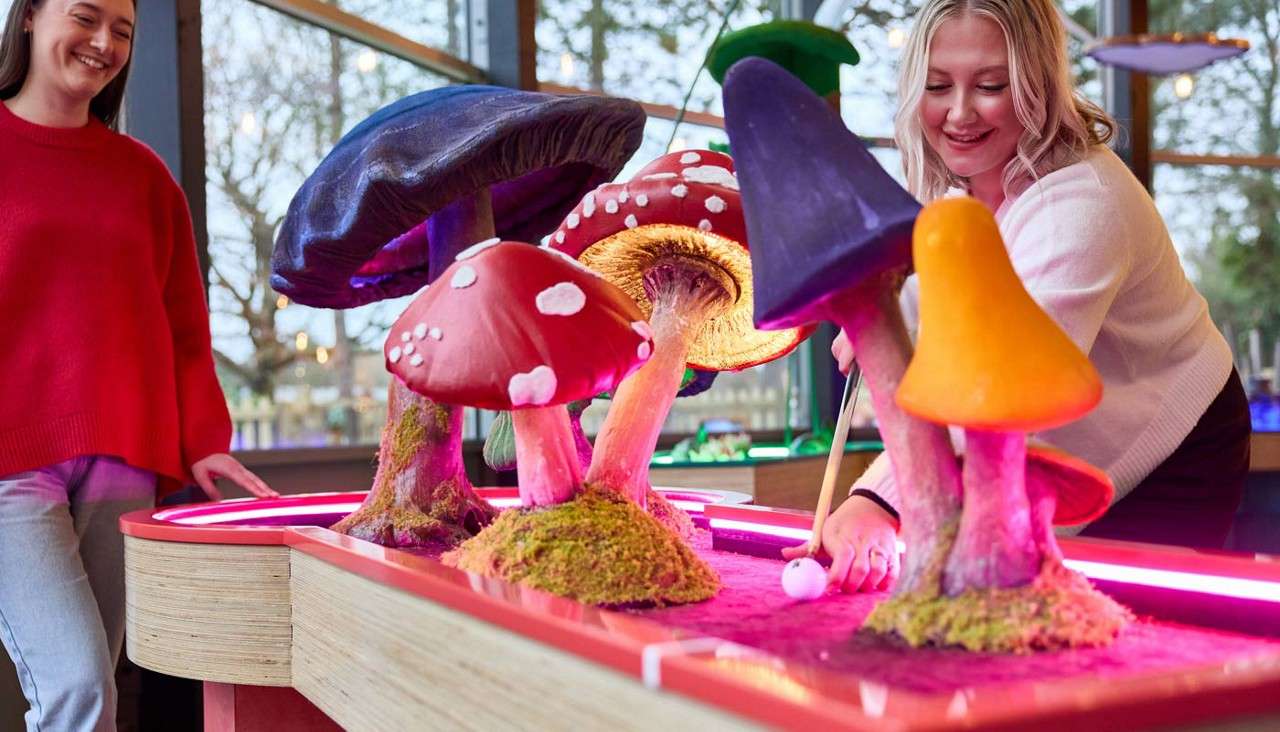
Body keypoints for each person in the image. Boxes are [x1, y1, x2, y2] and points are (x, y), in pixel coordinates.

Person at [783, 0, 1250, 593]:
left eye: (990, 85)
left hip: (1177, 438)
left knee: (1121, 629)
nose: (958, 113)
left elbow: (1001, 385)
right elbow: (951, 295)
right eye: (937, 85)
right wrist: (883, 325)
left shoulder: (1083, 205)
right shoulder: (963, 194)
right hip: (1073, 423)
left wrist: (879, 501)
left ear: (1037, 85)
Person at [0, 1, 277, 729]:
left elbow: (185, 330)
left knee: (102, 687)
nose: (103, 43)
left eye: (122, 31)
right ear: (28, 16)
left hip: (124, 457)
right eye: (86, 18)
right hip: (9, 467)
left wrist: (206, 442)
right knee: (79, 684)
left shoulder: (144, 176)